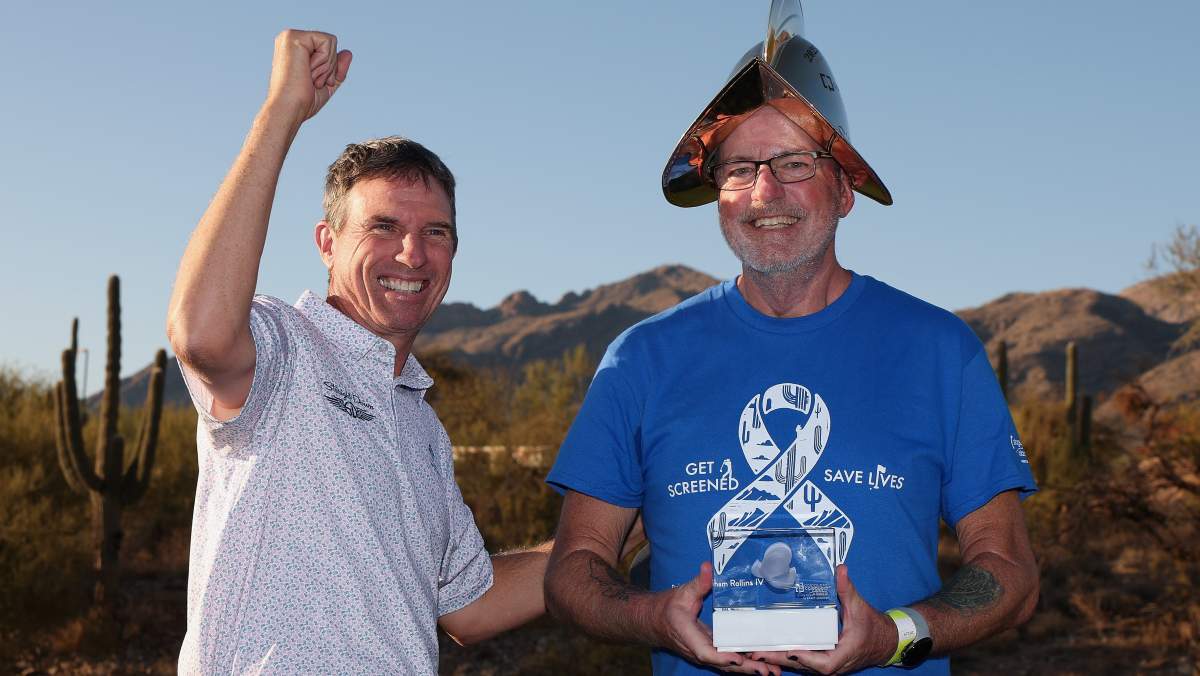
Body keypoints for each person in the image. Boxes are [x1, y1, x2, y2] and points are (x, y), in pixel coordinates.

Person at [543, 2, 1039, 674]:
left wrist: (893, 637)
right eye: (739, 168)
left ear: (845, 189)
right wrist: (652, 618)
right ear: (717, 194)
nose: (764, 192)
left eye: (794, 163)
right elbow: (573, 569)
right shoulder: (640, 359)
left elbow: (1009, 571)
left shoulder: (941, 351)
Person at [166, 29, 549, 673]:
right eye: (384, 227)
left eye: (435, 232)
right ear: (327, 242)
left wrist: (619, 522)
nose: (412, 254)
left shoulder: (422, 426)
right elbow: (200, 333)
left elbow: (471, 607)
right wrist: (281, 113)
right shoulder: (282, 350)